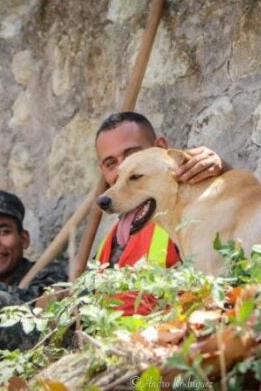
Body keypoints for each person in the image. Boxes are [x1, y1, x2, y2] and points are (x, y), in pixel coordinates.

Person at [94, 111, 227, 315]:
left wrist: (223, 169)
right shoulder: (110, 242)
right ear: (103, 171)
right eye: (111, 163)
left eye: (131, 155)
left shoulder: (184, 207)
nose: (124, 168)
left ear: (161, 148)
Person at [0, 189, 67, 355]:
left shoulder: (50, 275)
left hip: (39, 362)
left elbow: (40, 303)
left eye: (3, 232)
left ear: (24, 239)